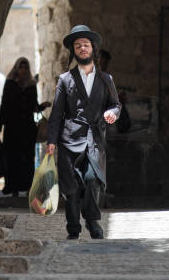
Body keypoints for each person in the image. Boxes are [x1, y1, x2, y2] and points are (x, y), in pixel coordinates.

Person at [46, 25, 121, 240]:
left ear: (93, 49)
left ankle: (91, 220)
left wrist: (112, 113)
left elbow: (116, 105)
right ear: (74, 51)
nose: (82, 48)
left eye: (86, 45)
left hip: (94, 140)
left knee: (92, 180)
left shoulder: (106, 80)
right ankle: (73, 228)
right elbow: (57, 114)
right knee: (71, 188)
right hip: (69, 139)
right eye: (78, 45)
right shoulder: (65, 80)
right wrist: (51, 141)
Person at [0, 57, 50, 195]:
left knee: (27, 159)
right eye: (21, 67)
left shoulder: (31, 85)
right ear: (16, 68)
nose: (23, 70)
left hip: (27, 129)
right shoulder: (10, 84)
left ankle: (26, 188)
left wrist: (42, 106)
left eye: (25, 67)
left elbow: (34, 107)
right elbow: (5, 106)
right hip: (12, 128)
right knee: (12, 158)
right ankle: (13, 188)